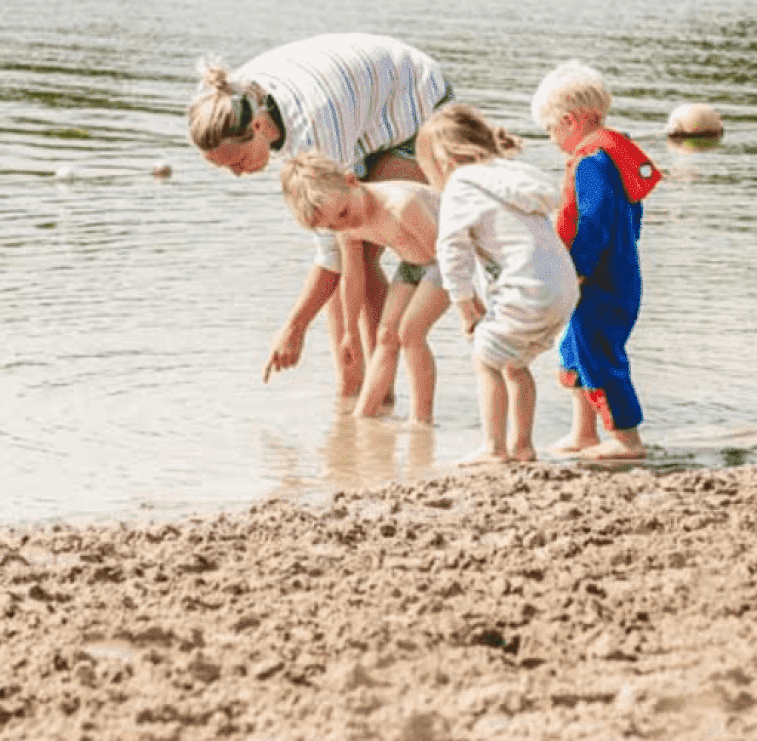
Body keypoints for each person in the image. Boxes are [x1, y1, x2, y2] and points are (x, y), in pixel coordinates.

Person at [187, 33, 452, 403]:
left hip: (415, 104)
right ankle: (352, 396)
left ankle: (377, 394)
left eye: (239, 162)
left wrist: (294, 327)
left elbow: (335, 256)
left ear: (260, 128)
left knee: (360, 244)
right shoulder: (229, 103)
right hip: (359, 112)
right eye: (224, 168)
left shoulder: (314, 128)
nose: (237, 174)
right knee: (348, 254)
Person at [415, 104, 579, 463]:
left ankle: (494, 448)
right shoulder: (512, 175)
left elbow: (451, 249)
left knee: (486, 360)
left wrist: (464, 306)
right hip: (563, 287)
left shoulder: (462, 182)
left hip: (529, 288)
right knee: (514, 363)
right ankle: (522, 447)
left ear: (447, 161)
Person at [531, 61, 662, 460]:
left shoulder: (592, 162)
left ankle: (627, 440)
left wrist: (579, 271)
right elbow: (632, 215)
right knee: (574, 348)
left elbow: (593, 222)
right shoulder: (613, 155)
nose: (553, 139)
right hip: (619, 272)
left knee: (598, 352)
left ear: (571, 122)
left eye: (552, 130)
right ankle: (583, 433)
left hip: (601, 280)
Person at [278, 151, 450, 425]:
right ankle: (363, 419)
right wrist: (349, 331)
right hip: (412, 263)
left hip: (448, 259)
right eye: (332, 225)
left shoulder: (401, 205)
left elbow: (448, 256)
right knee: (384, 337)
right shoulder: (344, 225)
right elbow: (353, 277)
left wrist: (471, 302)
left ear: (351, 181)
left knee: (410, 333)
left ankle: (422, 420)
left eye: (343, 214)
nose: (344, 226)